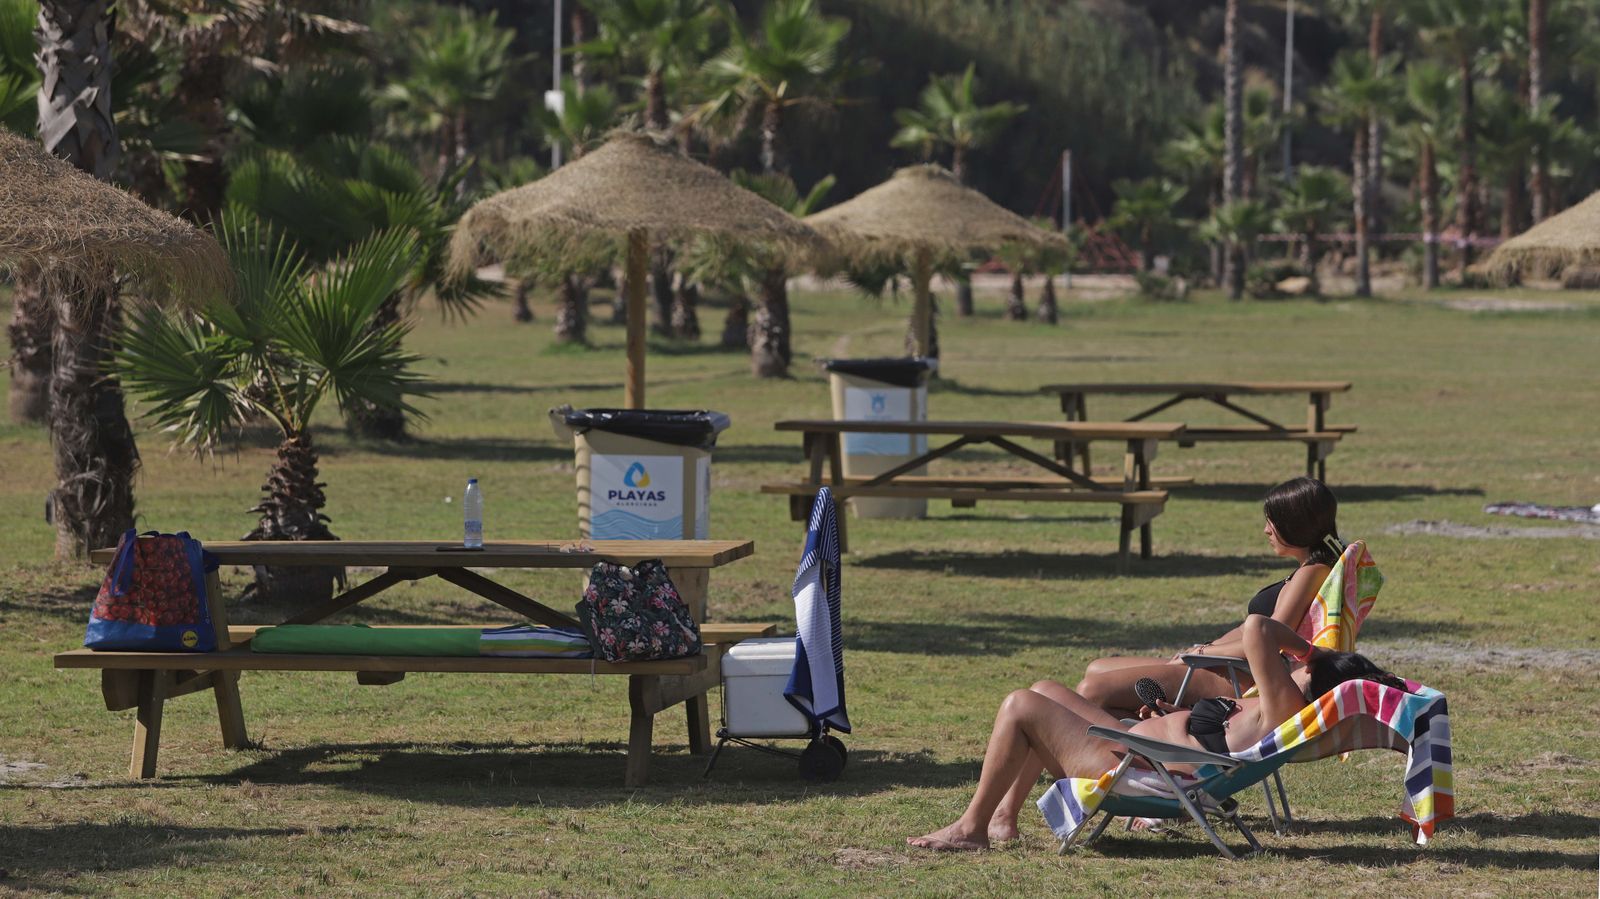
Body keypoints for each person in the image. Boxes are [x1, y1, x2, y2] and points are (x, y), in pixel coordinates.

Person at [906, 614, 1405, 851]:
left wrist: (1313, 653)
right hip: (1138, 747)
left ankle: (971, 829)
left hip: (1141, 770)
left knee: (1020, 706)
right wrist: (1164, 716)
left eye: (1298, 671)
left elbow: (1257, 628)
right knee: (1044, 688)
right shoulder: (1272, 711)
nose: (1289, 670)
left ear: (1309, 683)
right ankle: (1002, 819)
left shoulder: (1282, 711)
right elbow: (1207, 737)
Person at [1075, 476, 1345, 719]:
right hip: (1220, 666)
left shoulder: (1313, 572)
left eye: (1273, 521)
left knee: (1093, 691)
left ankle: (1135, 755)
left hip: (1234, 678)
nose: (1266, 530)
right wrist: (1200, 651)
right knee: (1097, 668)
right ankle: (1149, 739)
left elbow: (1266, 640)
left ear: (1295, 524)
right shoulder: (1309, 570)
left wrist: (1201, 652)